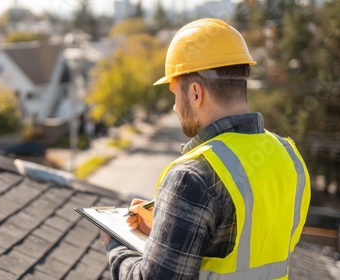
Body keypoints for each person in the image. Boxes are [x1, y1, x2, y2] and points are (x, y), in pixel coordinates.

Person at [99, 18, 311, 279]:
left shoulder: (192, 177)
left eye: (176, 95)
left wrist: (115, 244)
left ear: (196, 93)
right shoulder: (289, 156)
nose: (175, 107)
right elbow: (251, 243)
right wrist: (167, 229)